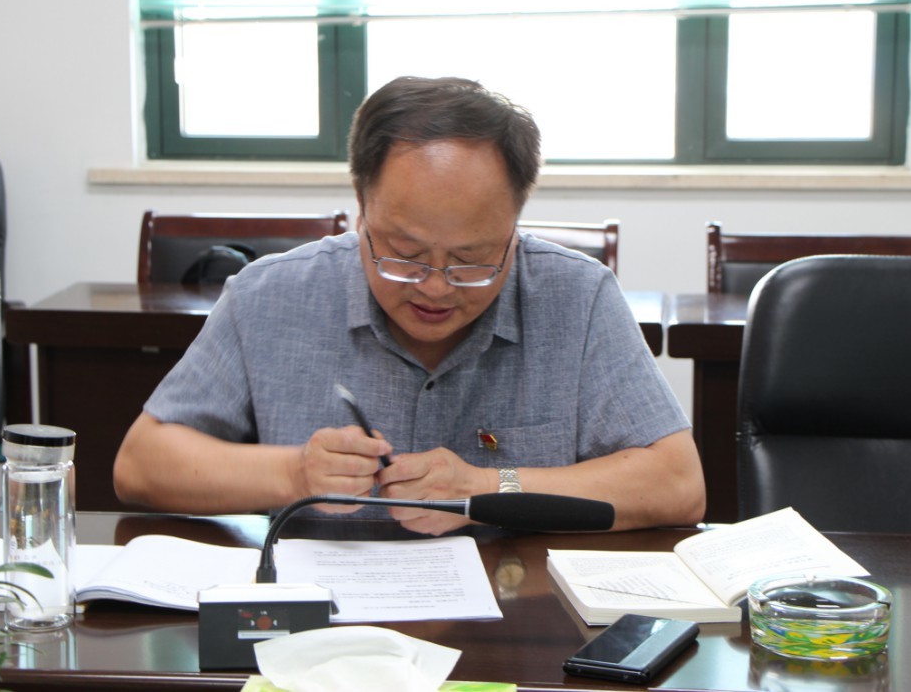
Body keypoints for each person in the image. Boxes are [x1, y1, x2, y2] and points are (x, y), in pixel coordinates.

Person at [114, 76, 705, 535]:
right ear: (360, 205)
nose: (436, 288)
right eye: (404, 254)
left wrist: (487, 488)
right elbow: (141, 464)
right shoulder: (270, 295)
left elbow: (677, 484)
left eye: (473, 260)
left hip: (523, 624)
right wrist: (293, 472)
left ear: (515, 224)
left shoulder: (577, 296)